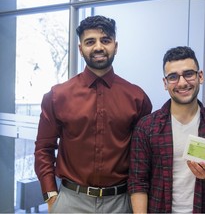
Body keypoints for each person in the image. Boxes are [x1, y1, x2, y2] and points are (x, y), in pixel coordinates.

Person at [34, 15, 152, 213]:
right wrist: (50, 194)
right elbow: (43, 149)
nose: (98, 47)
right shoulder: (57, 96)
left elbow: (144, 156)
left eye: (105, 40)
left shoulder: (137, 97)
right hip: (70, 202)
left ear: (116, 46)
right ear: (80, 49)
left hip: (121, 203)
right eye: (90, 42)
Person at [128, 46, 205, 213]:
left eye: (188, 74)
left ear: (200, 76)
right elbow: (138, 181)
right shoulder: (147, 127)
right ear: (165, 83)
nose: (182, 83)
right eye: (173, 77)